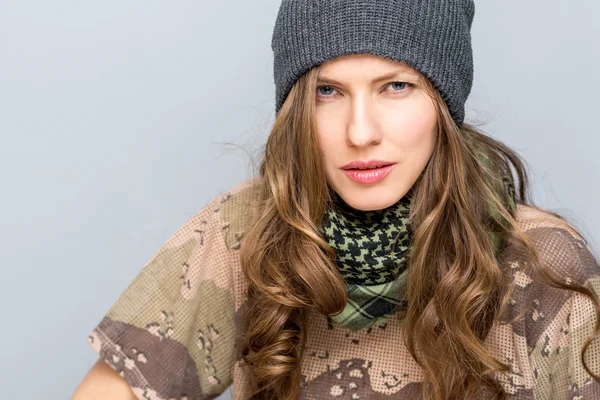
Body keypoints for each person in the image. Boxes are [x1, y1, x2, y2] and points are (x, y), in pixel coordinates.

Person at [72, 1, 600, 399]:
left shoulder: (541, 259)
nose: (361, 131)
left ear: (443, 101)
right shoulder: (250, 229)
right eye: (328, 91)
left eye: (395, 86)